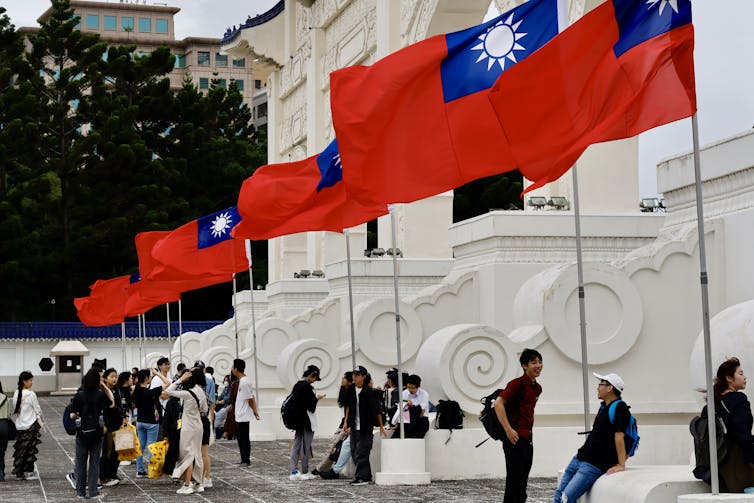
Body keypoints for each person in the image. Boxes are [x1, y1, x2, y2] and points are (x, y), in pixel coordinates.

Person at [552, 373, 631, 503]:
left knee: (567, 497)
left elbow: (619, 435)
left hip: (593, 465)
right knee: (559, 495)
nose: (598, 387)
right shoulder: (604, 407)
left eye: (601, 384)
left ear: (610, 388)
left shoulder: (620, 407)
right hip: (579, 458)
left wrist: (621, 464)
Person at [493, 348, 543, 503]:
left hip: (528, 439)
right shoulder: (516, 384)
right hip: (514, 438)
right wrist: (508, 429)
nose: (538, 365)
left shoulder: (537, 388)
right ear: (524, 366)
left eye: (540, 362)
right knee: (513, 482)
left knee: (522, 481)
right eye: (533, 362)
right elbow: (498, 403)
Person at [160, 367, 208, 494]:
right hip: (198, 426)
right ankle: (199, 483)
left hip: (188, 427)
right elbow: (204, 409)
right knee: (197, 454)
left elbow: (167, 391)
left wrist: (180, 380)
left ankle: (187, 485)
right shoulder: (200, 391)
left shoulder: (187, 393)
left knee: (187, 454)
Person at [70, 367, 115, 499]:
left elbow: (72, 415)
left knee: (80, 463)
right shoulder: (100, 394)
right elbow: (111, 404)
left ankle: (80, 492)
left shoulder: (79, 395)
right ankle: (93, 491)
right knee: (94, 463)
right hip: (97, 433)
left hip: (82, 433)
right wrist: (105, 388)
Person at [714, 357, 754, 492]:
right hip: (738, 465)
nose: (745, 377)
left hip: (719, 467)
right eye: (741, 374)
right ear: (729, 378)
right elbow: (743, 435)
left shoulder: (713, 403)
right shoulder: (738, 400)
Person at [343, 365, 387, 486]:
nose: (354, 377)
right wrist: (346, 422)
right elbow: (348, 407)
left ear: (363, 376)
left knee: (361, 452)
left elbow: (377, 410)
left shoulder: (369, 392)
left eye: (357, 375)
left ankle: (361, 477)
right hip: (353, 427)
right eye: (354, 374)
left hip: (365, 428)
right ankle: (366, 476)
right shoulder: (351, 389)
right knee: (354, 451)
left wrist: (381, 426)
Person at [288, 364, 325, 480]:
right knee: (305, 446)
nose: (314, 381)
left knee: (296, 445)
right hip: (307, 421)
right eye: (315, 378)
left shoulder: (297, 385)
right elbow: (310, 406)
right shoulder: (307, 387)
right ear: (311, 376)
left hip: (298, 420)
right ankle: (304, 471)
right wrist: (317, 399)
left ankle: (294, 470)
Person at [318, 371, 354, 480]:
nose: (342, 380)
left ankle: (322, 469)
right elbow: (347, 410)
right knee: (334, 444)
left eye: (344, 378)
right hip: (346, 423)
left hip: (351, 424)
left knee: (336, 445)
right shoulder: (346, 391)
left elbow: (352, 410)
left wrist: (348, 424)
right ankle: (323, 468)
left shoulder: (353, 392)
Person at [11, 370, 43, 481]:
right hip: (31, 424)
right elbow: (37, 409)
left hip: (20, 425)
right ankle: (28, 472)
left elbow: (16, 409)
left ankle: (19, 472)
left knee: (20, 450)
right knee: (30, 450)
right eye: (30, 380)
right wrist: (41, 420)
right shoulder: (31, 394)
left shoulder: (16, 393)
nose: (31, 382)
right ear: (24, 381)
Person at [133, 368, 163, 477]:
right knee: (151, 446)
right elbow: (168, 383)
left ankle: (140, 470)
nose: (151, 378)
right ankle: (152, 470)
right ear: (146, 378)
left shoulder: (136, 391)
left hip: (140, 421)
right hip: (151, 422)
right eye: (150, 376)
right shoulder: (150, 392)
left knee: (140, 447)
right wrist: (157, 373)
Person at [231, 358, 260, 466]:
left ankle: (246, 460)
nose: (232, 369)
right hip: (240, 414)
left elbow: (250, 399)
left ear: (236, 368)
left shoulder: (244, 382)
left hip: (243, 415)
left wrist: (255, 411)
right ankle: (243, 458)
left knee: (244, 439)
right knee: (241, 438)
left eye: (233, 367)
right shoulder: (243, 381)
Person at [99, 368, 126, 487]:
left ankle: (113, 474)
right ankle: (104, 476)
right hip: (108, 425)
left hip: (118, 424)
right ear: (105, 378)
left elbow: (121, 406)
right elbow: (107, 408)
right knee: (107, 451)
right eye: (111, 376)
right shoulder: (103, 391)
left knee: (117, 451)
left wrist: (124, 415)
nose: (114, 379)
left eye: (116, 376)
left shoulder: (117, 390)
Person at [192, 360, 215, 487]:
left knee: (197, 452)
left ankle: (203, 477)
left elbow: (212, 401)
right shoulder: (208, 383)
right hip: (204, 419)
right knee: (203, 452)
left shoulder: (193, 388)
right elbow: (211, 400)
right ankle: (206, 477)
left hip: (197, 420)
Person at [391, 374, 430, 439]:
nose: (410, 390)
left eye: (413, 388)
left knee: (414, 439)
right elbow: (402, 412)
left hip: (421, 420)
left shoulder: (424, 394)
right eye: (408, 387)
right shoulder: (404, 393)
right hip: (407, 420)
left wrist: (412, 406)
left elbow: (421, 414)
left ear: (418, 386)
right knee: (396, 437)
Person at [0, 381, 11, 482]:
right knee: (2, 451)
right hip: (4, 426)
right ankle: (2, 473)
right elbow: (8, 414)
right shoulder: (5, 398)